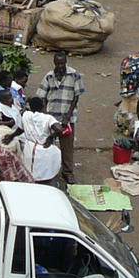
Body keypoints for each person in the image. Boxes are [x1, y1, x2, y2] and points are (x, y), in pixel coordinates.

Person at [35, 53, 84, 185]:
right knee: (47, 144)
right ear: (54, 62)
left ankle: (67, 172)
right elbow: (42, 97)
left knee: (67, 146)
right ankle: (46, 172)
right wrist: (46, 115)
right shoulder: (48, 76)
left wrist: (67, 116)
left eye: (63, 63)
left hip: (67, 118)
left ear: (66, 62)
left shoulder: (74, 75)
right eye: (58, 63)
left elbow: (76, 97)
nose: (61, 66)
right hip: (52, 117)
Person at [19, 96, 63, 184]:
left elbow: (20, 128)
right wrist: (51, 137)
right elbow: (59, 129)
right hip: (44, 150)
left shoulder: (26, 115)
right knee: (46, 175)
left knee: (30, 175)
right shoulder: (48, 118)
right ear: (43, 107)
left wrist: (11, 136)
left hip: (30, 150)